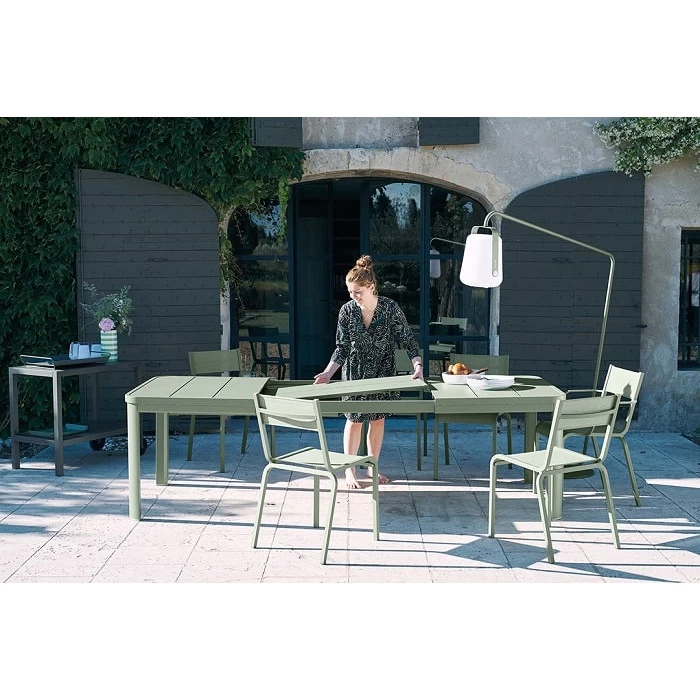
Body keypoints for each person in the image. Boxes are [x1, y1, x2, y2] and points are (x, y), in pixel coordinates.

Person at [314, 255, 424, 489]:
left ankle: (372, 467)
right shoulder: (346, 311)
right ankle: (350, 471)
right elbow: (342, 347)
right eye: (350, 292)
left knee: (377, 420)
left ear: (371, 287)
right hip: (354, 374)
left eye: (357, 292)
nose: (353, 296)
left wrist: (417, 365)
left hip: (383, 373)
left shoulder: (390, 308)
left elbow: (407, 339)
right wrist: (327, 373)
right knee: (354, 420)